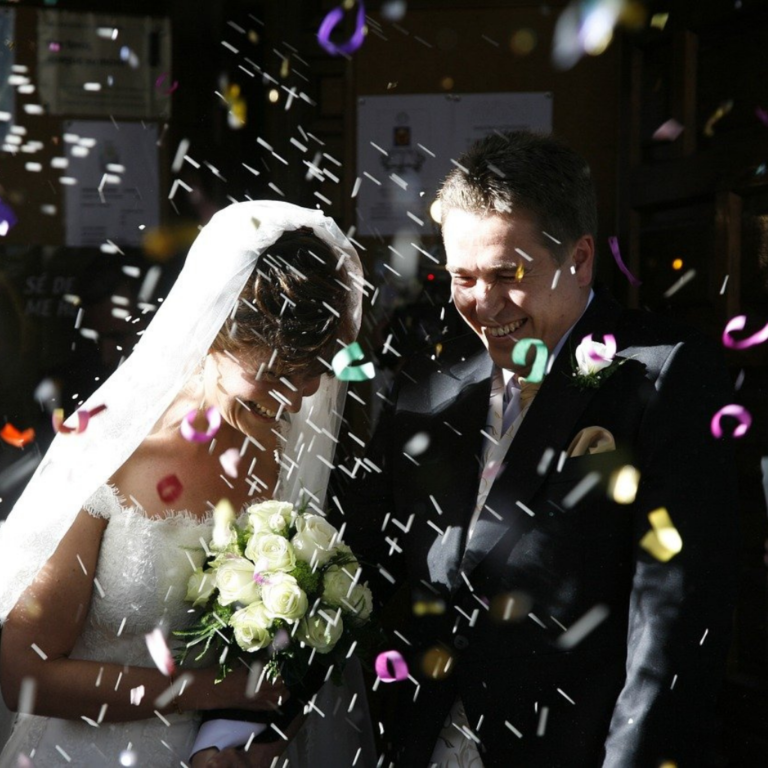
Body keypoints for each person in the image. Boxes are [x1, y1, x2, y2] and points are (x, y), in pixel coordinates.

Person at [338, 131, 740, 767]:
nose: (483, 303)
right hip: (422, 738)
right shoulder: (427, 380)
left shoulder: (666, 375)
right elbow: (361, 552)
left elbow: (674, 612)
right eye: (463, 277)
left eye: (508, 274)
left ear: (579, 259)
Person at [0, 201, 375, 767]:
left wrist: (249, 748)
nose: (299, 397)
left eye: (317, 371)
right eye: (277, 374)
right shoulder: (112, 447)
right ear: (218, 334)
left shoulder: (296, 443)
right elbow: (24, 676)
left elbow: (304, 651)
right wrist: (219, 691)